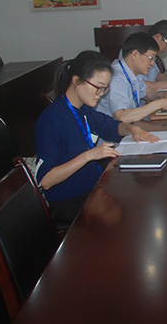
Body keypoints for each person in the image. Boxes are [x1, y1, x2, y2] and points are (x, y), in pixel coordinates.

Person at [35, 51, 158, 224]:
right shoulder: (52, 120)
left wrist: (132, 129)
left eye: (105, 88)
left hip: (93, 186)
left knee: (143, 200)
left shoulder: (84, 110)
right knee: (130, 216)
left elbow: (112, 127)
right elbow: (46, 181)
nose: (101, 94)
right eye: (98, 87)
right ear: (76, 81)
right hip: (70, 199)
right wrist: (89, 155)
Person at [97, 32, 167, 122]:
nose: (152, 63)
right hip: (114, 129)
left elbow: (146, 92)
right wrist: (159, 104)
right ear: (135, 54)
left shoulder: (132, 72)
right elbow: (122, 117)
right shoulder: (116, 78)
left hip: (130, 125)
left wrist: (162, 95)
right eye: (150, 58)